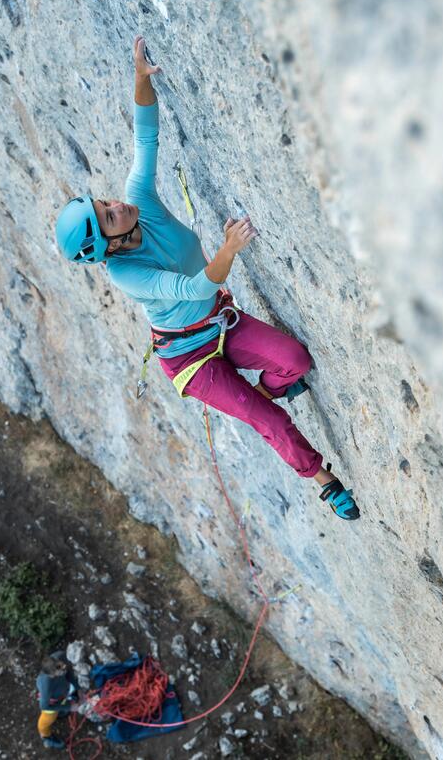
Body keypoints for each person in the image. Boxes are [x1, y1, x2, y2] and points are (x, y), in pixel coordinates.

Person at [55, 36, 359, 521]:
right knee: (265, 420)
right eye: (109, 217)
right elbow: (192, 288)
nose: (117, 206)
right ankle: (323, 480)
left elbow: (145, 138)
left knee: (295, 361)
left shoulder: (139, 199)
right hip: (190, 360)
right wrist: (229, 250)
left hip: (218, 321)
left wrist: (139, 79)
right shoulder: (127, 273)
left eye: (105, 203)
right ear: (108, 248)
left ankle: (269, 392)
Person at [35, 652, 78, 750]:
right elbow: (44, 706)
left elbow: (68, 673)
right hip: (51, 702)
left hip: (62, 693)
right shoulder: (46, 686)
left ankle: (60, 712)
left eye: (61, 665)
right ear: (51, 675)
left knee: (63, 704)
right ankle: (46, 738)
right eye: (59, 670)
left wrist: (78, 688)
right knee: (44, 722)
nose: (63, 668)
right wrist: (69, 707)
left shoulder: (60, 656)